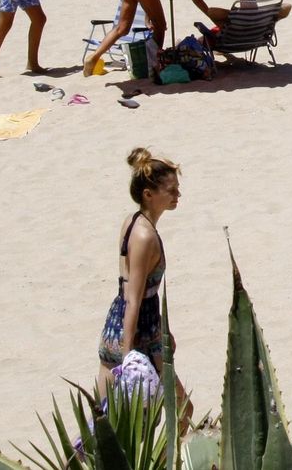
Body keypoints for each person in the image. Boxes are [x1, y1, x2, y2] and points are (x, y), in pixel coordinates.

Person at [97, 147, 186, 414]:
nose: (178, 195)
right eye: (171, 190)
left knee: (106, 418)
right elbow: (134, 298)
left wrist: (163, 331)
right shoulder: (145, 237)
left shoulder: (132, 221)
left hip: (117, 327)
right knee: (182, 412)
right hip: (138, 334)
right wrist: (129, 358)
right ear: (149, 194)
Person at [82, 0, 203, 74]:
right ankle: (155, 66)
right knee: (160, 27)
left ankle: (93, 57)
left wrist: (147, 18)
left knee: (122, 28)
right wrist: (208, 11)